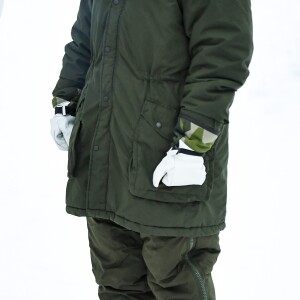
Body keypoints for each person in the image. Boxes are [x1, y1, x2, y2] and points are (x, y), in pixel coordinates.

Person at [50, 0, 253, 299]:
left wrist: (192, 144)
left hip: (168, 159)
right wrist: (66, 101)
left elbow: (222, 54)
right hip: (106, 157)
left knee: (174, 281)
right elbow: (84, 38)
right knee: (118, 283)